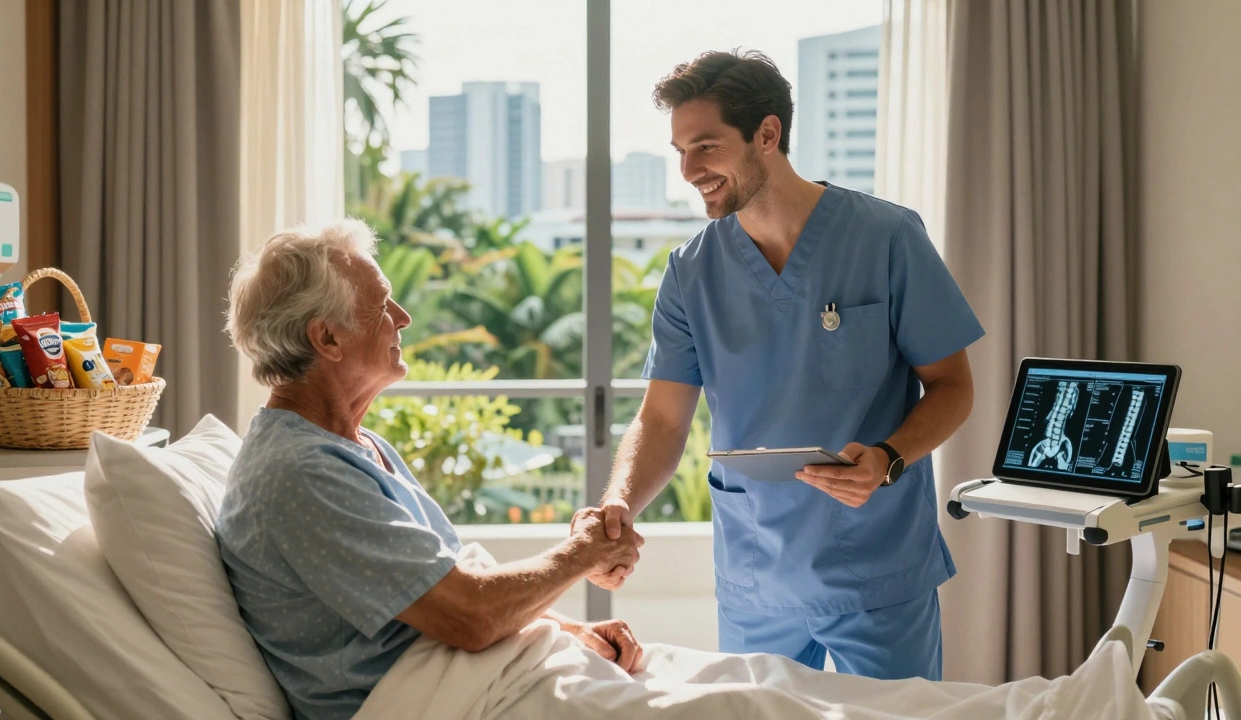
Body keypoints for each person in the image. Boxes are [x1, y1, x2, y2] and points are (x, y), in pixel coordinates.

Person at [586, 50, 985, 682]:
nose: (689, 170)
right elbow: (662, 420)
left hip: (875, 566)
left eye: (706, 147)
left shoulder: (886, 238)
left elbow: (953, 387)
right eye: (680, 151)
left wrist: (889, 456)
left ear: (767, 135)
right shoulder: (692, 272)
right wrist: (615, 506)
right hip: (757, 573)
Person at [216, 219, 646, 720]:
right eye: (381, 306)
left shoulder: (353, 446)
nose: (403, 318)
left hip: (470, 680)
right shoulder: (300, 472)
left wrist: (572, 630)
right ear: (328, 338)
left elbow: (436, 588)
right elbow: (470, 615)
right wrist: (583, 552)